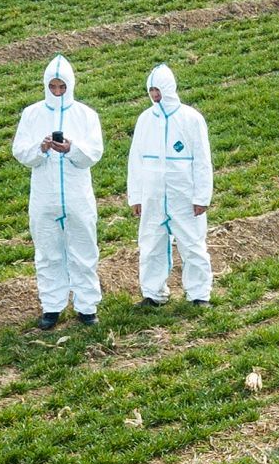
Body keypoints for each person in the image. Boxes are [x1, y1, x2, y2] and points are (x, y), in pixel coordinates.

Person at [12, 55, 104, 328]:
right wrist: (40, 149)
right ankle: (51, 305)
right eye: (52, 87)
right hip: (44, 195)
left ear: (70, 85)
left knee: (84, 249)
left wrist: (71, 149)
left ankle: (87, 306)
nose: (57, 92)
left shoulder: (86, 115)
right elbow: (19, 151)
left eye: (62, 87)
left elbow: (94, 153)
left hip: (77, 195)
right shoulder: (31, 114)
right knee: (48, 251)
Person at [125, 63, 214, 307]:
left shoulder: (191, 118)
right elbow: (136, 159)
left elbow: (202, 160)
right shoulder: (145, 119)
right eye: (151, 90)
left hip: (183, 195)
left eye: (158, 89)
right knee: (151, 243)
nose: (155, 95)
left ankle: (199, 294)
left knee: (192, 243)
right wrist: (136, 196)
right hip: (153, 196)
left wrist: (201, 196)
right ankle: (153, 293)